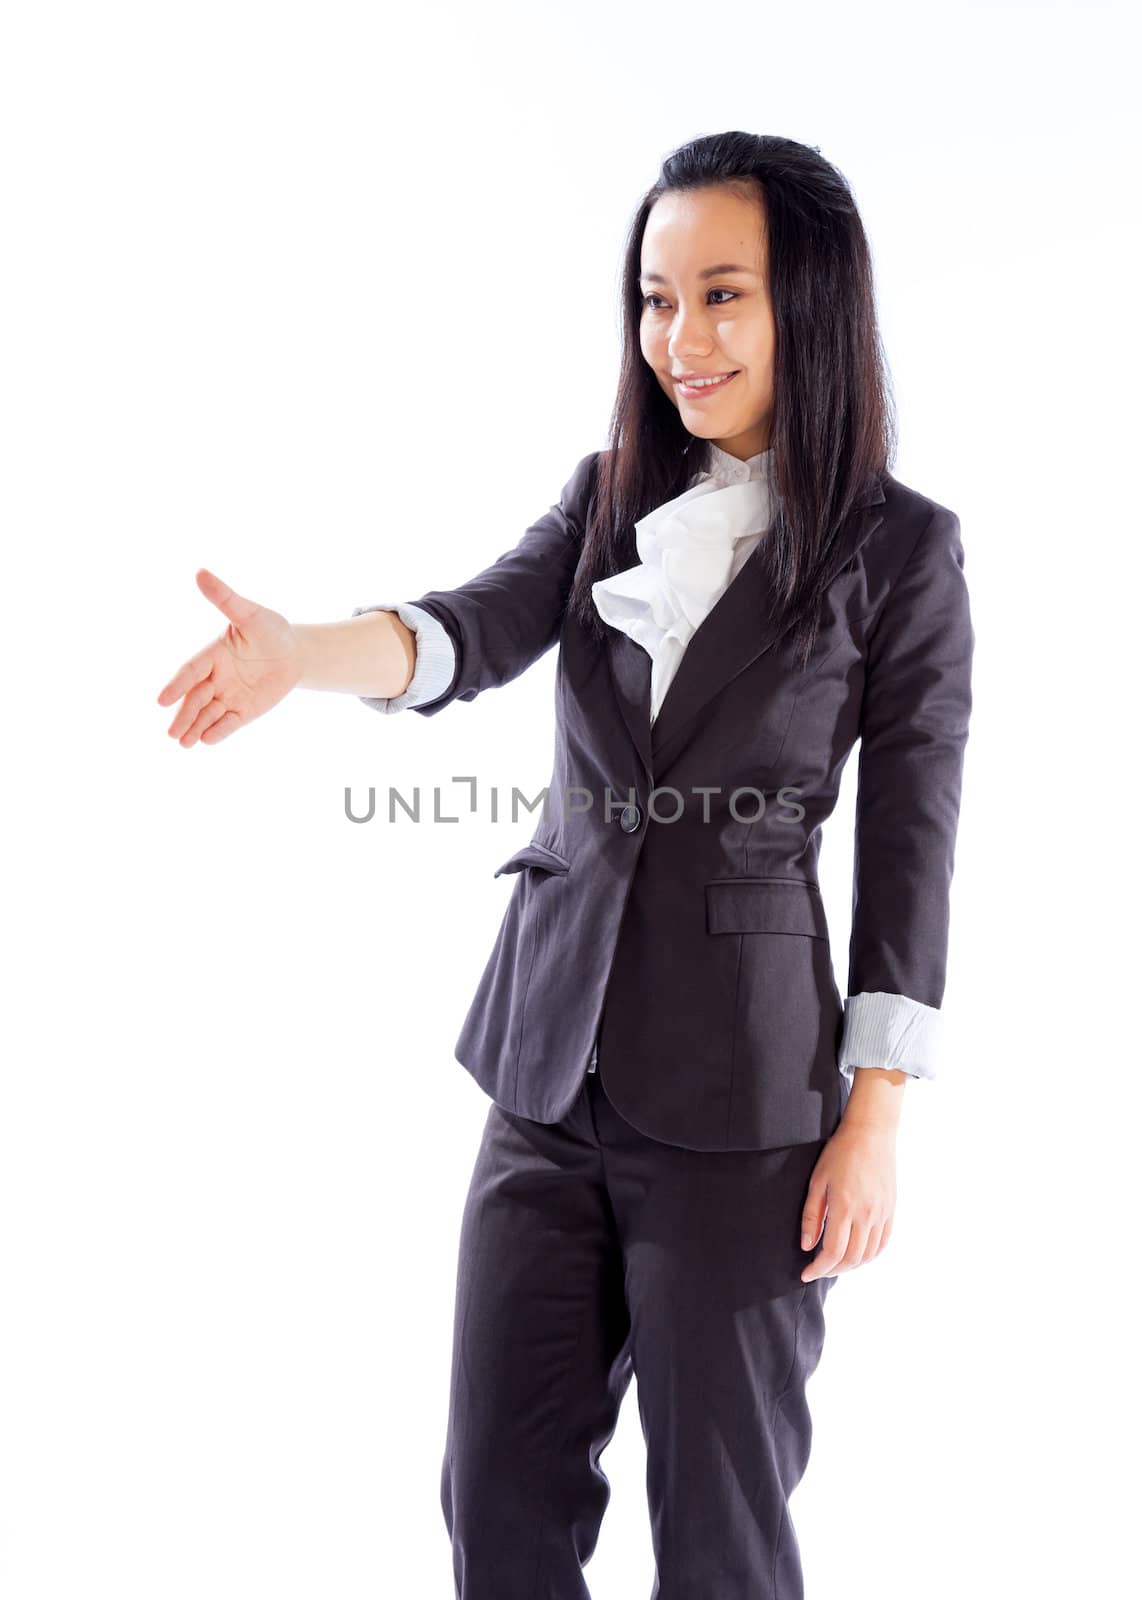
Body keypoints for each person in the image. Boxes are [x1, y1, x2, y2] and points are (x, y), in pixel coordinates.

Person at [157, 131, 974, 1599]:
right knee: (497, 1506)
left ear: (812, 306)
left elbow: (914, 844)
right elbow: (462, 632)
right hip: (544, 1075)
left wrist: (877, 1115)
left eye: (720, 296)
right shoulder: (606, 494)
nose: (679, 339)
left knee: (721, 1536)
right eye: (654, 301)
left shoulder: (899, 553)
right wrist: (301, 655)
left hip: (743, 1108)